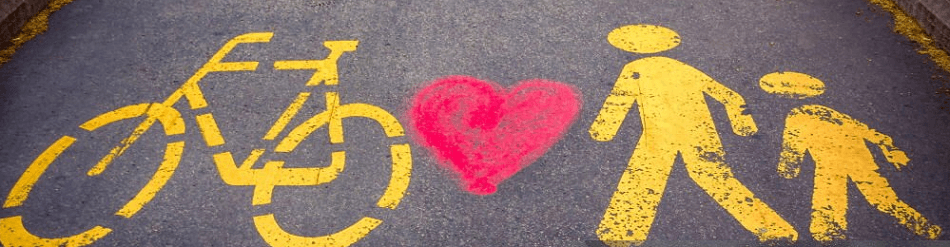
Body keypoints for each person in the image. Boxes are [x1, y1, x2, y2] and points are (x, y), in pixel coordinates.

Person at [590, 24, 797, 246]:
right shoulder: (683, 68)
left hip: (661, 131)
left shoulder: (636, 68)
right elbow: (729, 96)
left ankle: (620, 231)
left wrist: (603, 129)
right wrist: (743, 125)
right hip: (700, 131)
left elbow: (619, 100)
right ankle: (774, 229)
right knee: (712, 177)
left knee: (646, 174)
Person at [761, 71, 942, 242]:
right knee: (873, 194)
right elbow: (870, 133)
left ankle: (828, 228)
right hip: (858, 158)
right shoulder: (834, 115)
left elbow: (793, 144)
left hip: (830, 161)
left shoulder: (797, 115)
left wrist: (789, 168)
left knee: (831, 192)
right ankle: (915, 222)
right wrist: (890, 150)